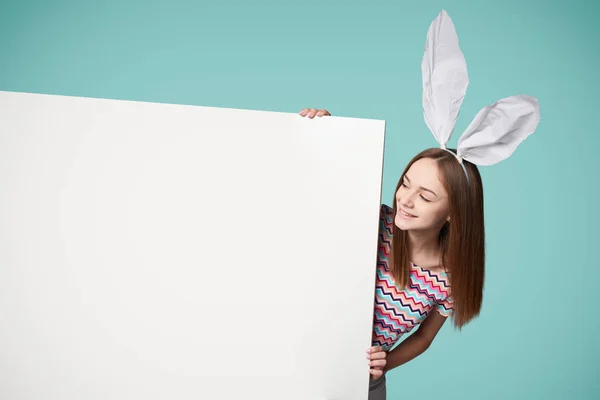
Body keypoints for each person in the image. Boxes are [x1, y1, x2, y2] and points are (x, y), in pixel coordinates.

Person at [297, 10, 540, 400]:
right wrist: (326, 133)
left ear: (453, 214)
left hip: (362, 382)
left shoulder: (449, 280)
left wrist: (385, 363)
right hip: (302, 356)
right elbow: (317, 196)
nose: (405, 199)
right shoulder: (374, 222)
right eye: (406, 184)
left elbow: (425, 336)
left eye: (425, 196)